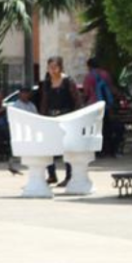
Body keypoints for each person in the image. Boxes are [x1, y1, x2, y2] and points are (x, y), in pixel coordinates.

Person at [39, 56, 81, 186]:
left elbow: (77, 100)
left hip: (66, 116)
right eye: (50, 67)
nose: (52, 70)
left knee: (67, 148)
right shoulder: (47, 82)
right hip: (51, 117)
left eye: (55, 67)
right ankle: (52, 175)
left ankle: (69, 176)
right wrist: (43, 117)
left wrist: (75, 117)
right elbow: (45, 101)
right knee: (48, 147)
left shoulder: (68, 81)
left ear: (60, 67)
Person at [83, 57, 122, 157]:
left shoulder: (89, 76)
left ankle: (98, 150)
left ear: (89, 66)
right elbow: (111, 88)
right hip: (106, 105)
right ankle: (108, 149)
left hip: (93, 105)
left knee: (95, 129)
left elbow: (86, 92)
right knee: (107, 127)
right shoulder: (105, 74)